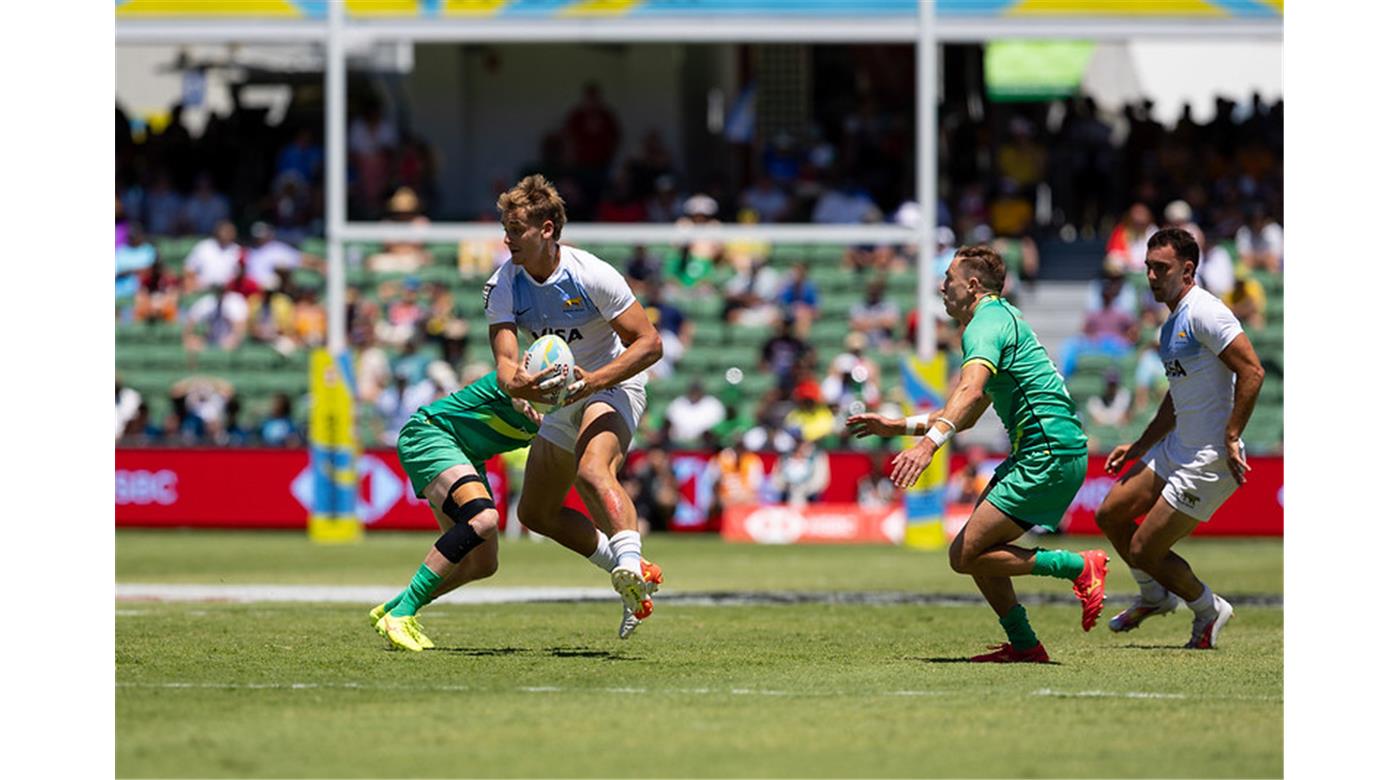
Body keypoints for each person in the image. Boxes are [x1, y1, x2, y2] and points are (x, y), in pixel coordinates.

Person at [847, 244, 1106, 664]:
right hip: (1048, 449)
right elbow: (964, 412)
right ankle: (1024, 644)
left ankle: (1077, 566)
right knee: (977, 552)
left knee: (965, 554)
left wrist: (928, 446)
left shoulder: (983, 325)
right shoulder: (1003, 318)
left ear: (971, 285)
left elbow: (967, 392)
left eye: (947, 279)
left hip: (1047, 452)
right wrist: (898, 426)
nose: (941, 286)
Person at [483, 174, 666, 639]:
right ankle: (630, 572)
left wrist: (594, 382)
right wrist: (521, 388)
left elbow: (649, 344)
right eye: (505, 228)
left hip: (610, 384)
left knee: (592, 470)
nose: (507, 239)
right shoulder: (503, 284)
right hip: (559, 395)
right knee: (535, 514)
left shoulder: (592, 275)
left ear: (546, 229)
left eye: (517, 229)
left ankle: (628, 560)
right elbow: (505, 366)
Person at [1093, 228, 1264, 649]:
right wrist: (1138, 446)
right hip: (1176, 447)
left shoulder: (1207, 312)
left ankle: (1208, 609)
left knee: (1143, 550)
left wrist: (1232, 433)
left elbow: (1253, 371)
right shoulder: (1171, 327)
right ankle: (1154, 596)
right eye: (1148, 267)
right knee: (1110, 513)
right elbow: (1174, 402)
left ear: (1187, 270)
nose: (1151, 276)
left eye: (1161, 268)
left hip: (1207, 458)